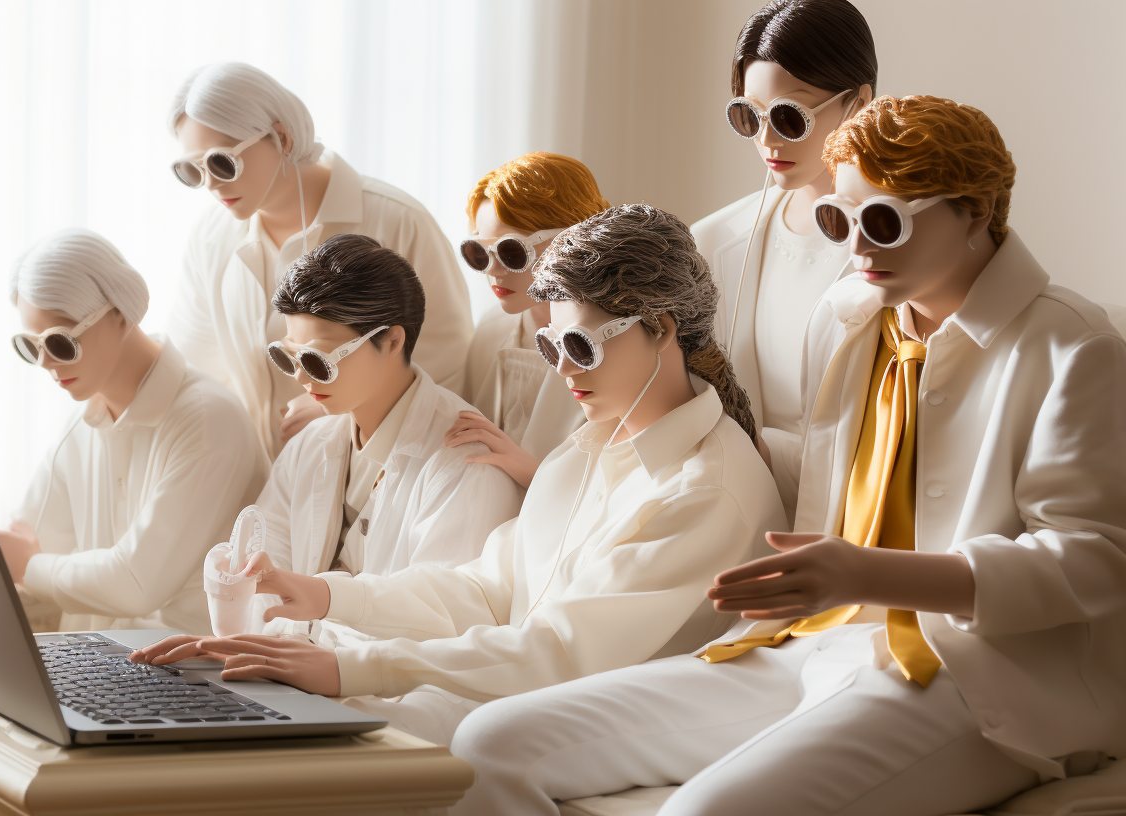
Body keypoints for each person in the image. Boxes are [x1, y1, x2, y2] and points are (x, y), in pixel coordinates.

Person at [446, 96, 1126, 816]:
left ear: (976, 212)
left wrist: (866, 571)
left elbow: (1096, 557)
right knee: (487, 743)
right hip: (808, 642)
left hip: (970, 674)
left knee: (703, 813)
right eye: (840, 219)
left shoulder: (1075, 346)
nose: (857, 248)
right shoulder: (845, 323)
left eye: (884, 221)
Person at [133, 205, 786, 748]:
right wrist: (328, 597)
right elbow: (488, 589)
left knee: (356, 729)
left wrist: (344, 665)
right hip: (552, 686)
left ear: (661, 328)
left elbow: (559, 651)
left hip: (630, 716)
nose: (563, 370)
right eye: (550, 346)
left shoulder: (703, 488)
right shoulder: (585, 448)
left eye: (580, 346)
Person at [164, 62, 473, 460]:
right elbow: (200, 370)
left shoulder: (396, 220)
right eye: (191, 170)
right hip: (265, 477)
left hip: (382, 477)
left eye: (222, 162)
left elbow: (447, 361)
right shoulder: (211, 238)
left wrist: (343, 404)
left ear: (281, 138)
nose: (210, 184)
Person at [233, 233, 521, 637]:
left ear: (391, 341)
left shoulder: (466, 463)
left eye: (318, 361)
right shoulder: (308, 445)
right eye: (289, 356)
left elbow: (441, 623)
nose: (299, 377)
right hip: (286, 683)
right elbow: (256, 582)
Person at [0, 229, 267, 635]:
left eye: (60, 344)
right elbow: (22, 536)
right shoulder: (83, 422)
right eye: (31, 347)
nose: (48, 365)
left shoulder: (207, 422)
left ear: (119, 314)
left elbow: (136, 584)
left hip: (192, 672)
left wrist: (29, 566)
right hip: (100, 659)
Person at [692, 0, 876, 515]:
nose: (767, 139)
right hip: (724, 517)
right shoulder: (709, 242)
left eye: (790, 117)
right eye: (748, 115)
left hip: (847, 531)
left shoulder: (904, 247)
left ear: (857, 102)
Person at [448, 152, 600, 489]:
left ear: (574, 236)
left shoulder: (612, 340)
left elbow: (611, 492)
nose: (492, 271)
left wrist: (524, 467)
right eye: (479, 253)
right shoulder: (491, 328)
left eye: (512, 253)